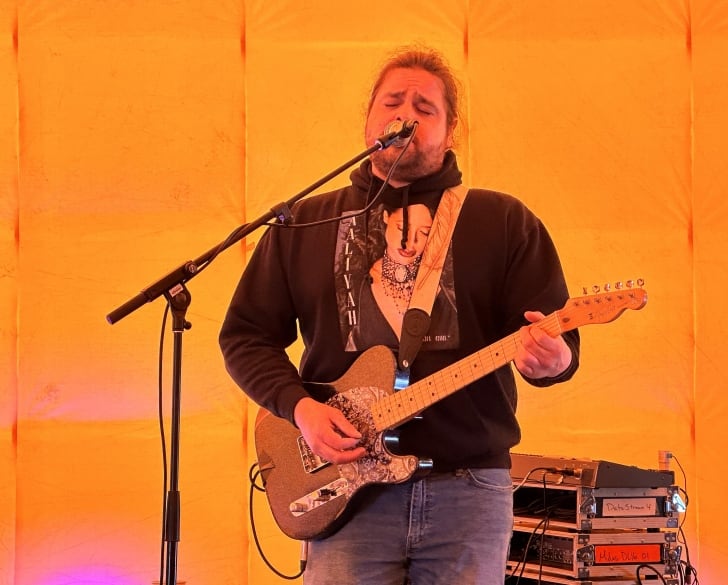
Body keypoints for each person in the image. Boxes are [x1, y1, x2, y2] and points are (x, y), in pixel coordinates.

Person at [219, 46, 580, 585]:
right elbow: (246, 336)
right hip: (348, 496)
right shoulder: (306, 223)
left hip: (468, 491)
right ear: (368, 121)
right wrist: (302, 411)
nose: (405, 114)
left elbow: (556, 344)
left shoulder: (502, 221)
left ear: (451, 130)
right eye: (392, 102)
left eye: (424, 106)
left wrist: (553, 358)